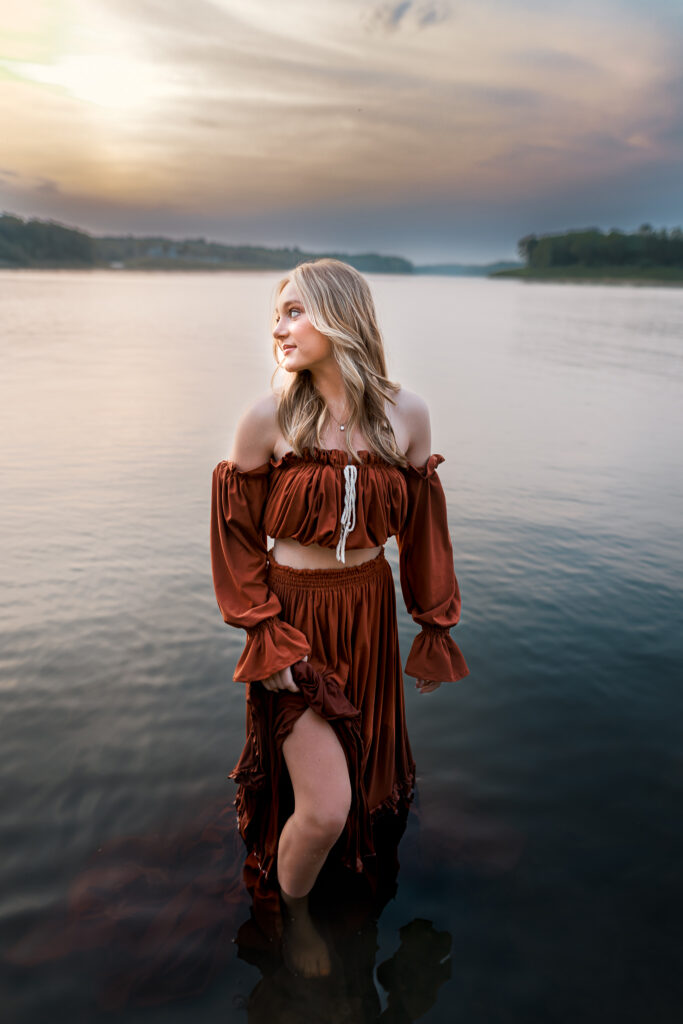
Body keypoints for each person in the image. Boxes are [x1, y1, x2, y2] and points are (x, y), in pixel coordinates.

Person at [210, 258, 469, 977]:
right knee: (323, 807)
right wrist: (265, 637)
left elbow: (422, 532)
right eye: (276, 313)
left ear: (339, 317)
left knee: (367, 782)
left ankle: (347, 894)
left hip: (369, 613)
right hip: (294, 622)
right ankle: (290, 922)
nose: (278, 326)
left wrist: (432, 625)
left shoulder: (406, 415)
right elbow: (235, 544)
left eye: (294, 311)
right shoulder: (266, 420)